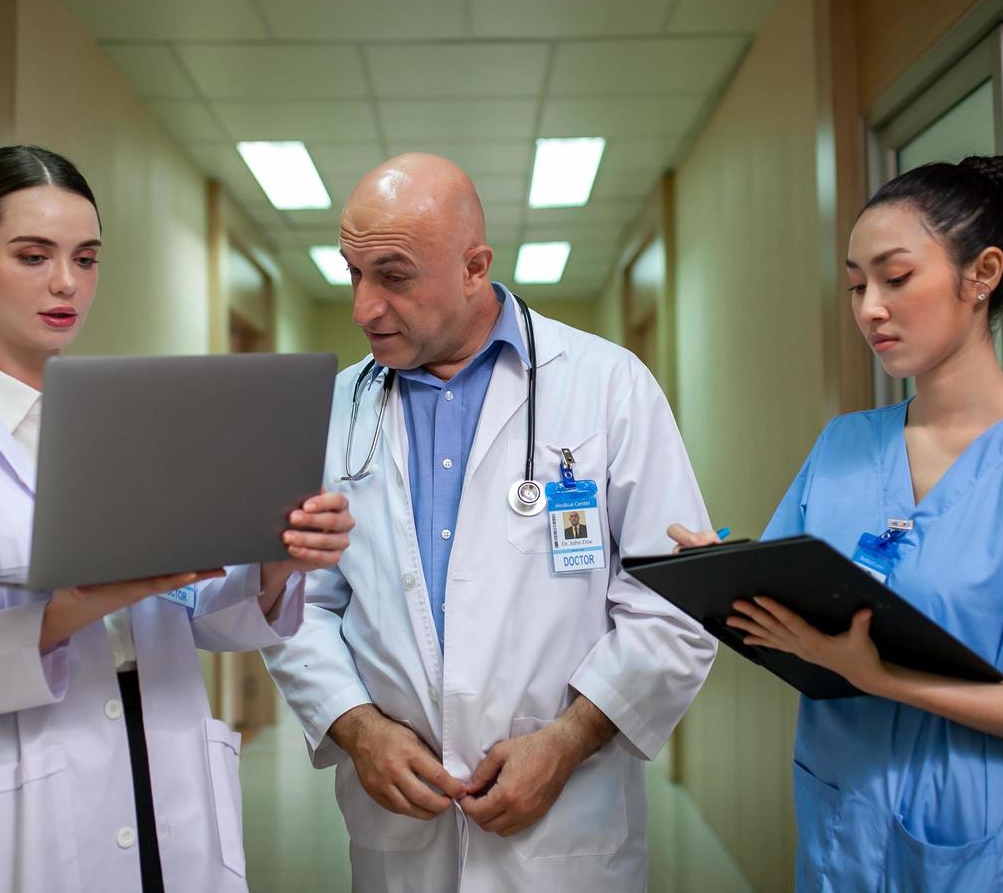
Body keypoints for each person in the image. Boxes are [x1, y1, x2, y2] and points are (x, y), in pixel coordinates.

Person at [0, 145, 355, 893]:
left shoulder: (138, 422)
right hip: (15, 806)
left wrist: (277, 561)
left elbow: (195, 612)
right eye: (33, 255)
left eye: (86, 258)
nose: (66, 283)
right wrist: (62, 616)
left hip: (160, 772)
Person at [671, 155, 1003, 891]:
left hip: (988, 852)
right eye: (856, 284)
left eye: (895, 278)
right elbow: (799, 611)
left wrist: (885, 679)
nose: (869, 307)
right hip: (843, 836)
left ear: (982, 275)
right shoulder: (843, 447)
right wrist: (721, 572)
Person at [262, 153, 717, 891]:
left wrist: (569, 741)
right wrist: (356, 725)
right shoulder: (332, 411)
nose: (363, 308)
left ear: (476, 268)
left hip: (568, 836)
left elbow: (673, 605)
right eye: (353, 273)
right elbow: (295, 603)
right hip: (401, 838)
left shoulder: (609, 387)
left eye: (394, 276)